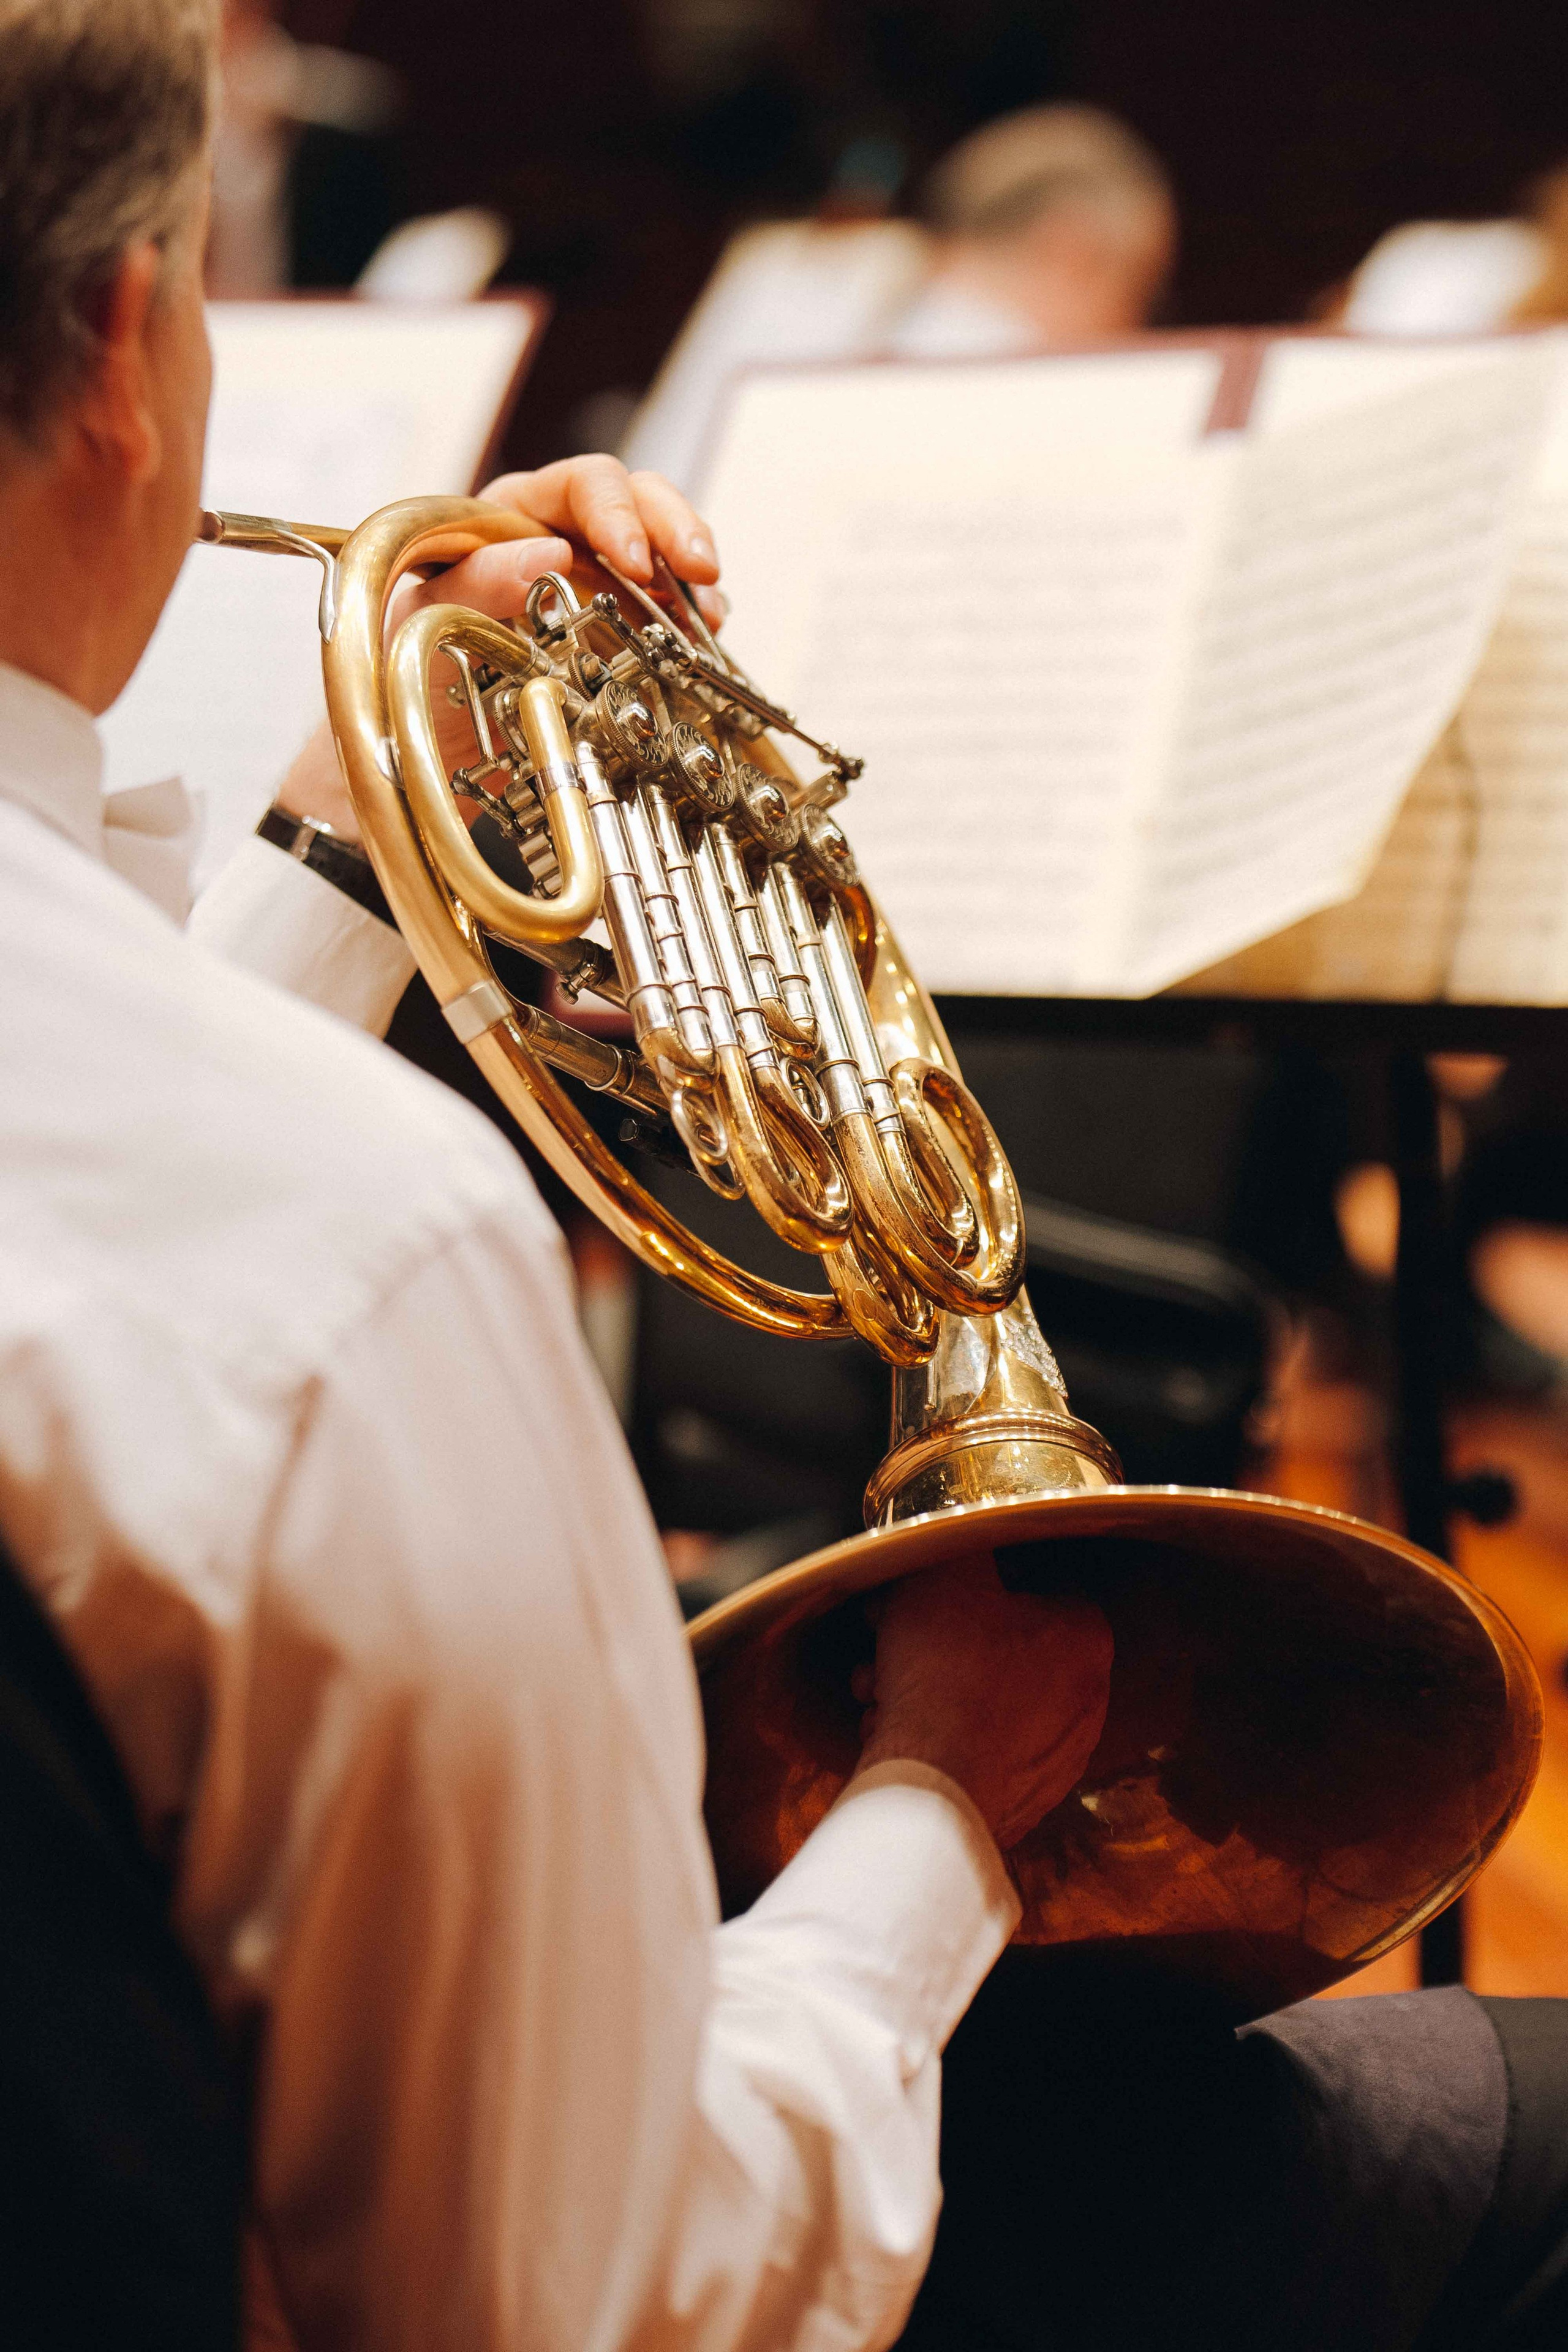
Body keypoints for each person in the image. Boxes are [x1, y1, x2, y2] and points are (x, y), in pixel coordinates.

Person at [0, 4, 1114, 2345]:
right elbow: (593, 2295)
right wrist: (936, 1810)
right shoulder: (366, 1250)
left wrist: (350, 822)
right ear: (124, 339)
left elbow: (93, 1214)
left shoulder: (222, 1210)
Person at [621, 104, 1176, 494]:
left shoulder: (784, 284)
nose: (1134, 330)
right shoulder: (1063, 396)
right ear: (1068, 246)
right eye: (1138, 293)